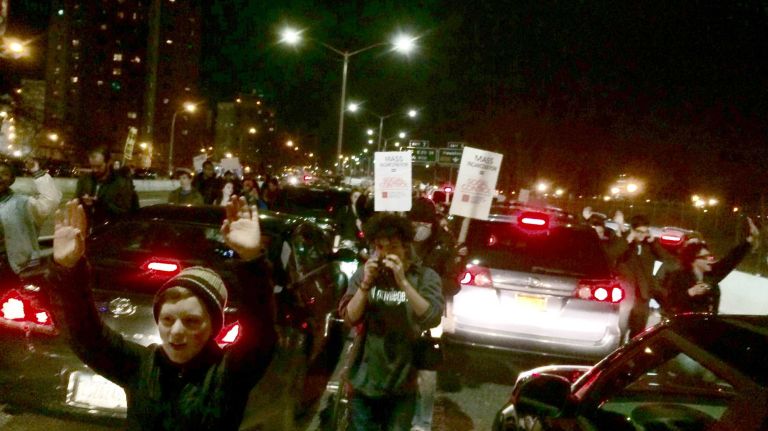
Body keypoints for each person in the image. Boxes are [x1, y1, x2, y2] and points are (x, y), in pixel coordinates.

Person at [48, 197, 276, 430]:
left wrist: (251, 261)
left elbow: (260, 335)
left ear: (213, 326)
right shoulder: (141, 366)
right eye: (167, 319)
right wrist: (69, 269)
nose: (176, 332)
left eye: (191, 321)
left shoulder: (228, 374)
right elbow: (86, 336)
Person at [340, 213, 444, 431]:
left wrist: (403, 282)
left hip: (403, 382)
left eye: (393, 246)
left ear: (406, 246)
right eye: (379, 246)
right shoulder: (364, 274)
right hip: (365, 380)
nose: (386, 252)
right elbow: (350, 316)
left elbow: (432, 317)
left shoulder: (425, 276)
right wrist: (366, 283)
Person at [406, 197, 463, 431]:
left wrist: (432, 284)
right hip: (401, 310)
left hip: (431, 314)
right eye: (415, 221)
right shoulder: (399, 240)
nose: (420, 227)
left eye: (424, 222)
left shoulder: (446, 244)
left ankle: (423, 421)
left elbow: (455, 283)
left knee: (427, 370)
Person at [662, 218, 759, 315]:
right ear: (693, 260)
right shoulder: (678, 276)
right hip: (684, 327)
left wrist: (749, 240)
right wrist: (690, 293)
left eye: (709, 256)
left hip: (708, 326)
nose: (710, 259)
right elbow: (670, 304)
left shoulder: (711, 275)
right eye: (705, 257)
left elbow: (731, 259)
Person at [615, 214, 677, 339]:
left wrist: (654, 243)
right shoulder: (623, 242)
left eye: (645, 232)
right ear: (632, 230)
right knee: (619, 332)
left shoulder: (649, 246)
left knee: (637, 335)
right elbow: (612, 254)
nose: (642, 235)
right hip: (624, 296)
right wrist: (627, 239)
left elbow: (671, 262)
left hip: (643, 297)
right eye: (638, 232)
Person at [0, 158, 62, 278]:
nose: (0, 177)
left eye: (5, 174)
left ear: (12, 180)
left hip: (20, 270)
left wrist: (36, 171)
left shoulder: (22, 203)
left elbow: (51, 200)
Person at [75, 148, 136, 228]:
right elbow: (76, 201)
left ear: (108, 162)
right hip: (89, 229)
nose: (95, 170)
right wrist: (81, 201)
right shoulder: (85, 179)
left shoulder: (121, 182)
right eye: (92, 166)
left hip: (111, 231)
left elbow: (126, 212)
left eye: (99, 166)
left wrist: (99, 203)